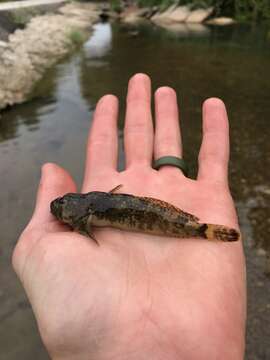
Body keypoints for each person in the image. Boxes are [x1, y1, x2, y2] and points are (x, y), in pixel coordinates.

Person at [12, 73, 246, 360]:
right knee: (171, 220)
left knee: (176, 222)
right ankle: (201, 230)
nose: (59, 206)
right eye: (62, 203)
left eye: (62, 205)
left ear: (81, 214)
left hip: (138, 212)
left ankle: (203, 231)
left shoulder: (84, 217)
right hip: (125, 207)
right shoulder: (87, 206)